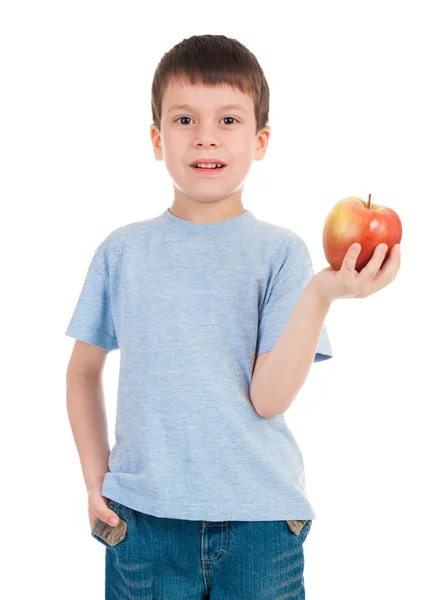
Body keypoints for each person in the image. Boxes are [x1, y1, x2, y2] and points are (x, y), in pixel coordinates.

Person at [65, 33, 401, 600]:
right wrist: (94, 478)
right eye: (183, 119)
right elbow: (81, 371)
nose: (205, 137)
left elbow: (266, 398)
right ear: (156, 138)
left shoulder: (282, 254)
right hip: (141, 525)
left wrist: (320, 294)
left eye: (228, 120)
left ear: (260, 140)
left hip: (260, 526)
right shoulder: (120, 251)